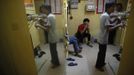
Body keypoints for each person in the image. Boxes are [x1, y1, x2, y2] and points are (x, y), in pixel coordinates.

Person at [95, 3, 124, 72]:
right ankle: (98, 66)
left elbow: (110, 22)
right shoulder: (106, 16)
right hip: (103, 37)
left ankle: (101, 63)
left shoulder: (105, 15)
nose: (114, 9)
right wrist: (119, 25)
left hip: (102, 36)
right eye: (112, 7)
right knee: (101, 53)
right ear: (108, 8)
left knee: (103, 52)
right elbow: (109, 29)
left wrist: (116, 20)